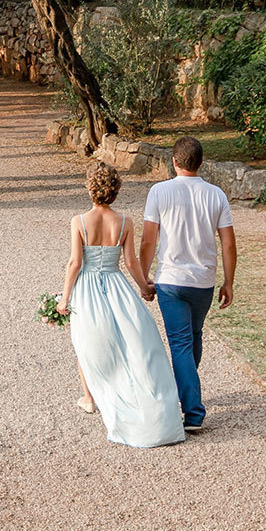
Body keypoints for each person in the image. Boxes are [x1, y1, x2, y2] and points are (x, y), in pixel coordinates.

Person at [59, 161, 187, 448]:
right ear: (115, 190)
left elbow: (75, 263)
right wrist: (144, 287)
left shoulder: (78, 221)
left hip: (88, 288)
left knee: (88, 341)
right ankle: (138, 395)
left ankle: (90, 397)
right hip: (117, 287)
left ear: (90, 188)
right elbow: (130, 262)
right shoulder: (125, 222)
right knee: (134, 341)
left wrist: (65, 298)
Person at [139, 136, 239, 434]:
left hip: (171, 279)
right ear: (201, 163)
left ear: (174, 162)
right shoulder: (216, 195)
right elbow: (229, 243)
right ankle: (188, 392)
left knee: (182, 343)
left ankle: (193, 412)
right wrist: (229, 281)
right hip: (203, 281)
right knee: (193, 338)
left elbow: (148, 240)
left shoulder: (159, 191)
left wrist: (144, 276)